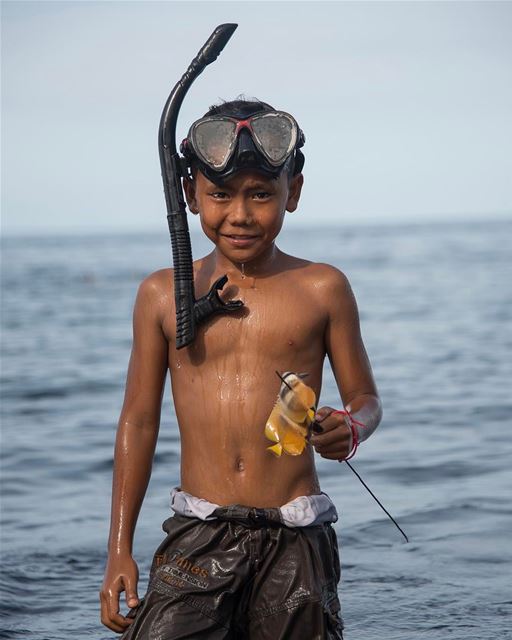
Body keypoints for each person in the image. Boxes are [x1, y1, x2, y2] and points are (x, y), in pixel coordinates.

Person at [100, 98, 382, 639]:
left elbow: (366, 399)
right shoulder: (161, 296)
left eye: (260, 194)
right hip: (198, 532)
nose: (240, 215)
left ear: (292, 193)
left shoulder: (322, 288)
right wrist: (118, 550)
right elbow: (137, 422)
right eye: (220, 195)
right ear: (189, 195)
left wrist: (350, 427)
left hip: (295, 534)